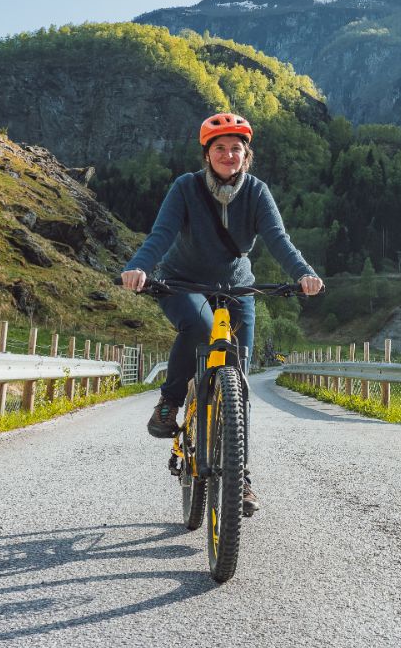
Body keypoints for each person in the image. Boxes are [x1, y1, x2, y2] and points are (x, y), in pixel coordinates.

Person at [121, 112, 323, 510]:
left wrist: (305, 273)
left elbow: (279, 240)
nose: (228, 155)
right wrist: (140, 267)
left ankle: (239, 477)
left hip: (237, 288)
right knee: (199, 327)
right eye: (220, 148)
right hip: (182, 282)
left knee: (239, 385)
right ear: (207, 155)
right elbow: (161, 235)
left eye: (236, 148)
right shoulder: (186, 188)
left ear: (246, 154)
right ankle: (170, 403)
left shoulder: (258, 192)